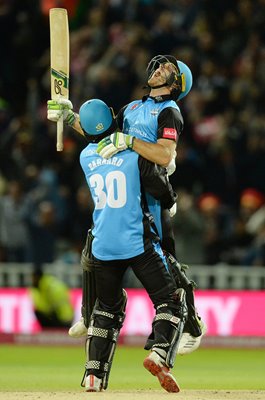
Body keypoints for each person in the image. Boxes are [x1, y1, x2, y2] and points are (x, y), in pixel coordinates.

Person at [47, 54, 206, 354]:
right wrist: (69, 119)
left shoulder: (170, 111)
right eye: (159, 65)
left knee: (167, 265)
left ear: (176, 84)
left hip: (153, 195)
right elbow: (102, 135)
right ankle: (88, 312)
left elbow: (164, 156)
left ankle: (193, 326)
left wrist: (130, 142)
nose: (158, 69)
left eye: (167, 70)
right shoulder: (133, 107)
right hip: (128, 190)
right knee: (93, 246)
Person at [58, 98, 187, 392]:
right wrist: (171, 198)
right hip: (136, 242)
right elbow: (158, 184)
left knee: (107, 308)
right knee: (170, 299)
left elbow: (95, 133)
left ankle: (94, 375)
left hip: (103, 245)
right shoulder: (133, 155)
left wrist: (68, 118)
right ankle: (160, 352)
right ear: (114, 119)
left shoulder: (86, 156)